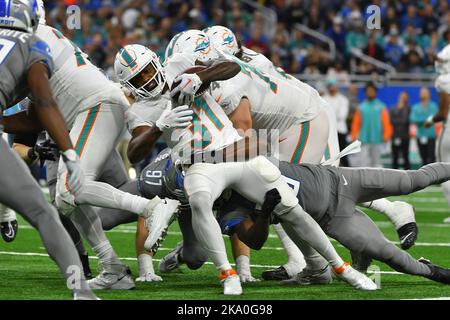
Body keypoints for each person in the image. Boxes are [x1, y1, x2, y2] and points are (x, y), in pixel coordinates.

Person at [204, 25, 417, 282]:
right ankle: (317, 257)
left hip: (302, 118)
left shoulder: (237, 72)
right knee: (295, 189)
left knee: (307, 190)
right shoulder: (245, 59)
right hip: (282, 124)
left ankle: (387, 215)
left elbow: (242, 119)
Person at [0, 0, 97, 300]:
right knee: (43, 213)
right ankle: (80, 291)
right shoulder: (33, 44)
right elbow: (43, 102)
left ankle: (4, 215)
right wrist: (69, 152)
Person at [424, 44, 450, 223]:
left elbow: (443, 113)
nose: (437, 62)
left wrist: (430, 120)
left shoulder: (444, 80)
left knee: (444, 168)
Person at [351, 82, 393, 168]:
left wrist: (386, 135)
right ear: (365, 92)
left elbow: (386, 122)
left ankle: (376, 181)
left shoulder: (381, 106)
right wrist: (354, 136)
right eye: (368, 91)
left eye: (372, 91)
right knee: (363, 163)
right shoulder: (361, 107)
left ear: (375, 92)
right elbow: (356, 124)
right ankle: (363, 181)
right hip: (363, 140)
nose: (370, 92)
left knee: (376, 163)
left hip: (377, 139)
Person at [322, 78, 350, 167]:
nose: (332, 88)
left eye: (333, 86)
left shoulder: (343, 99)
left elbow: (342, 115)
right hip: (328, 131)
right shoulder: (323, 98)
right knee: (329, 155)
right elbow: (323, 114)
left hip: (340, 130)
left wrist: (330, 114)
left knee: (343, 155)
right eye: (330, 86)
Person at [410, 87, 437, 165]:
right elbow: (413, 119)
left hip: (431, 136)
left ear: (429, 94)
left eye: (425, 93)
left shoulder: (433, 106)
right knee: (423, 159)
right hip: (420, 136)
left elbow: (433, 119)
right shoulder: (416, 107)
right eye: (421, 93)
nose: (423, 94)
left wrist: (420, 119)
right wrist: (426, 118)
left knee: (432, 159)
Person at [390, 92, 411, 169]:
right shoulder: (393, 108)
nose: (403, 99)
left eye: (405, 97)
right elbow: (391, 120)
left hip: (405, 136)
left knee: (406, 156)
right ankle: (394, 176)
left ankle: (408, 176)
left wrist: (397, 119)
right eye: (402, 97)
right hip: (395, 135)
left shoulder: (409, 109)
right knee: (395, 157)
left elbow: (405, 120)